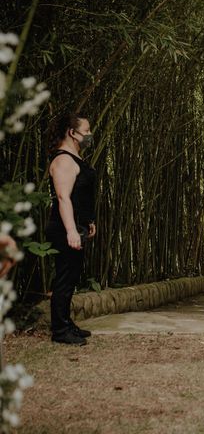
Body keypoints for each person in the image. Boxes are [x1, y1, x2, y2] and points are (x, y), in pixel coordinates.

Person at [45, 114, 96, 345]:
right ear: (72, 132)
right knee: (65, 278)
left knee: (72, 275)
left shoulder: (75, 157)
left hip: (76, 225)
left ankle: (66, 323)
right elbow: (63, 198)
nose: (89, 135)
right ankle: (59, 330)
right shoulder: (64, 160)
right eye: (86, 131)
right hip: (64, 227)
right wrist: (71, 231)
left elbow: (80, 195)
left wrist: (88, 221)